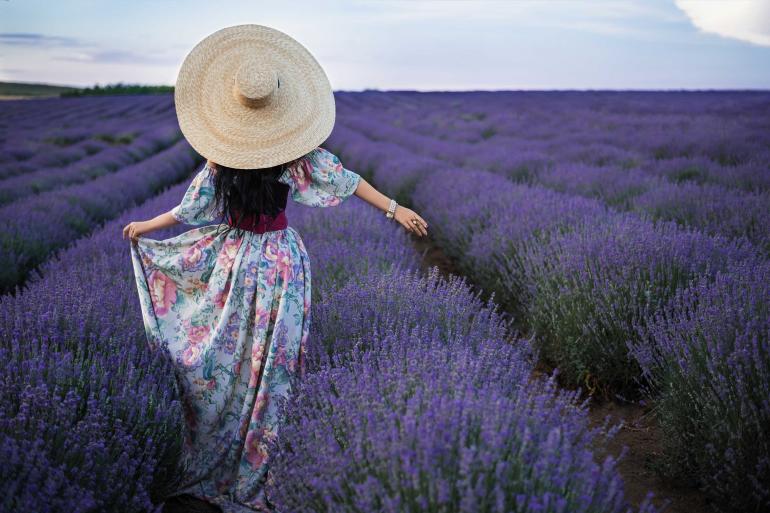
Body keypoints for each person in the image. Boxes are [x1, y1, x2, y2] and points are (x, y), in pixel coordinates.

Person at [121, 24, 428, 513]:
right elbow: (349, 181)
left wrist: (145, 225)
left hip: (234, 261)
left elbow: (188, 209)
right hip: (281, 263)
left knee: (229, 358)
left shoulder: (220, 160)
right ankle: (263, 452)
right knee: (274, 362)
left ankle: (217, 443)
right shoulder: (297, 155)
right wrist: (395, 209)